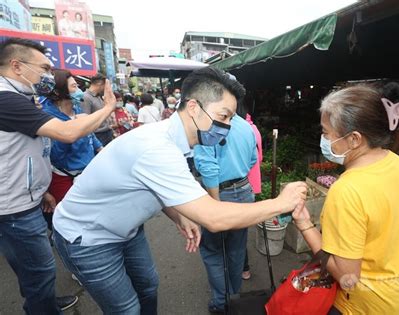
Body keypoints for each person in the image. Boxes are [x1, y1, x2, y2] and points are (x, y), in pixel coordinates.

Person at [52, 67, 307, 314]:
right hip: (88, 237)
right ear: (194, 107)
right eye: (223, 116)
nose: (227, 127)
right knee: (126, 308)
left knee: (148, 286)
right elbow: (214, 218)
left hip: (125, 229)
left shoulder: (178, 141)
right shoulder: (157, 147)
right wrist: (281, 203)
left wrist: (178, 214)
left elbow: (156, 186)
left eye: (230, 118)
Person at [0, 38, 115, 314]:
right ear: (17, 66)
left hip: (26, 198)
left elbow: (31, 152)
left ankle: (45, 301)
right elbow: (68, 133)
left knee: (36, 271)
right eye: (44, 68)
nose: (48, 76)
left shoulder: (22, 97)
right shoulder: (5, 99)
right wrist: (108, 107)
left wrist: (42, 191)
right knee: (39, 269)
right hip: (14, 209)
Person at [292, 84, 399, 314]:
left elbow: (346, 275)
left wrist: (305, 225)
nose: (322, 139)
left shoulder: (348, 190)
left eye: (325, 132)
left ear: (354, 139)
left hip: (365, 302)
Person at [193, 112, 257, 313]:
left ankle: (222, 302)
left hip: (219, 192)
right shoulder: (245, 125)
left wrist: (215, 204)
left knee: (213, 251)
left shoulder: (210, 125)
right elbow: (254, 158)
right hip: (244, 189)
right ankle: (234, 295)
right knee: (236, 248)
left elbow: (208, 167)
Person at [39, 68, 103, 230]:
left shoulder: (77, 110)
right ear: (60, 90)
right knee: (71, 220)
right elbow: (57, 156)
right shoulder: (47, 116)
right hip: (63, 176)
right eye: (74, 86)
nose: (79, 90)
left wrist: (100, 148)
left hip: (87, 171)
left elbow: (90, 135)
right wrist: (72, 130)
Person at [242, 111, 263, 280]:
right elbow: (259, 157)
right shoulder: (254, 129)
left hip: (241, 184)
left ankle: (243, 267)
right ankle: (245, 268)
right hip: (252, 182)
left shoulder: (237, 129)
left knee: (236, 231)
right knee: (242, 230)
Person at [82, 73, 114, 146]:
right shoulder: (85, 97)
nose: (107, 88)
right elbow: (85, 119)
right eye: (105, 85)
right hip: (98, 135)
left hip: (107, 133)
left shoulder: (98, 96)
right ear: (100, 83)